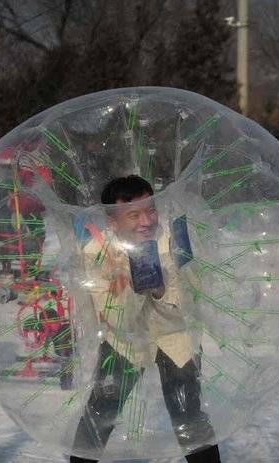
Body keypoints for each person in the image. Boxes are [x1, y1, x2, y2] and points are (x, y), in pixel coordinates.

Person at [69, 176, 220, 463]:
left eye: (151, 210)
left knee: (189, 415)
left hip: (174, 336)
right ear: (112, 222)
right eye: (134, 214)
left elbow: (194, 296)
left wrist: (162, 290)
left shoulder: (176, 238)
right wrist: (136, 290)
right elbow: (114, 317)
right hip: (124, 341)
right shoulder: (97, 255)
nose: (146, 221)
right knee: (101, 413)